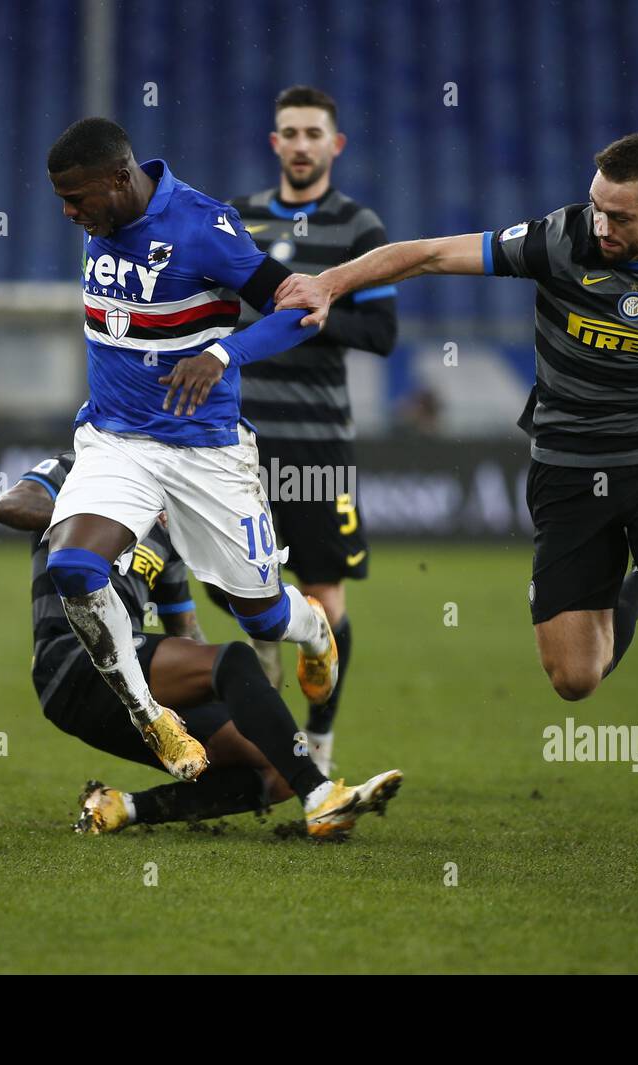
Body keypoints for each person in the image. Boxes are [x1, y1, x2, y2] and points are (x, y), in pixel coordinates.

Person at [276, 133, 638, 858]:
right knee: (575, 679)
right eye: (596, 208)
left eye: (619, 216)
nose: (601, 226)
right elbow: (427, 252)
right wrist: (330, 284)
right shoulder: (556, 239)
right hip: (567, 470)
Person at [41, 117, 342, 784]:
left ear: (120, 179)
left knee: (258, 613)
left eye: (77, 197)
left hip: (205, 450)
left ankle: (313, 627)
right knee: (73, 567)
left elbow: (300, 310)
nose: (68, 212)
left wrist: (222, 351)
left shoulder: (205, 226)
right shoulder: (103, 218)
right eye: (61, 199)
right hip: (116, 440)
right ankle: (152, 716)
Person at [0, 453, 403, 839]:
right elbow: (9, 505)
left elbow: (186, 634)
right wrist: (93, 519)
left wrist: (248, 704)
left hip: (127, 689)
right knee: (234, 658)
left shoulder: (168, 522)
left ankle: (120, 808)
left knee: (278, 766)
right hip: (70, 664)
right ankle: (320, 798)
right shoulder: (81, 466)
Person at [223, 85, 398, 774]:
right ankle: (276, 732)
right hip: (237, 441)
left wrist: (322, 317)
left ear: (335, 144)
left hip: (319, 441)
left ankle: (319, 743)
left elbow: (382, 333)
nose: (300, 144)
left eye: (312, 133)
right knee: (240, 585)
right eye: (288, 132)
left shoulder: (360, 229)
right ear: (275, 143)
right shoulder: (236, 219)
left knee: (325, 594)